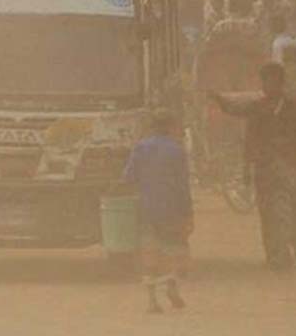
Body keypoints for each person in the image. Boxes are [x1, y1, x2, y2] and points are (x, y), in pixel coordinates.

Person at [210, 62, 296, 270]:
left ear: (280, 82)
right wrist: (217, 98)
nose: (268, 85)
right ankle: (277, 257)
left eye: (272, 80)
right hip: (265, 170)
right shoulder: (258, 107)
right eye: (265, 80)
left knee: (290, 212)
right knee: (268, 215)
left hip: (289, 167)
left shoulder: (292, 106)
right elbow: (235, 111)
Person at [123, 109, 194, 314]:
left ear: (152, 126)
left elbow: (128, 176)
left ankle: (152, 301)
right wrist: (188, 212)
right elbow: (183, 185)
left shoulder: (141, 147)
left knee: (149, 253)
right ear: (171, 126)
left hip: (147, 209)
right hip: (172, 210)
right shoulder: (176, 150)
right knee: (173, 250)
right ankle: (172, 286)